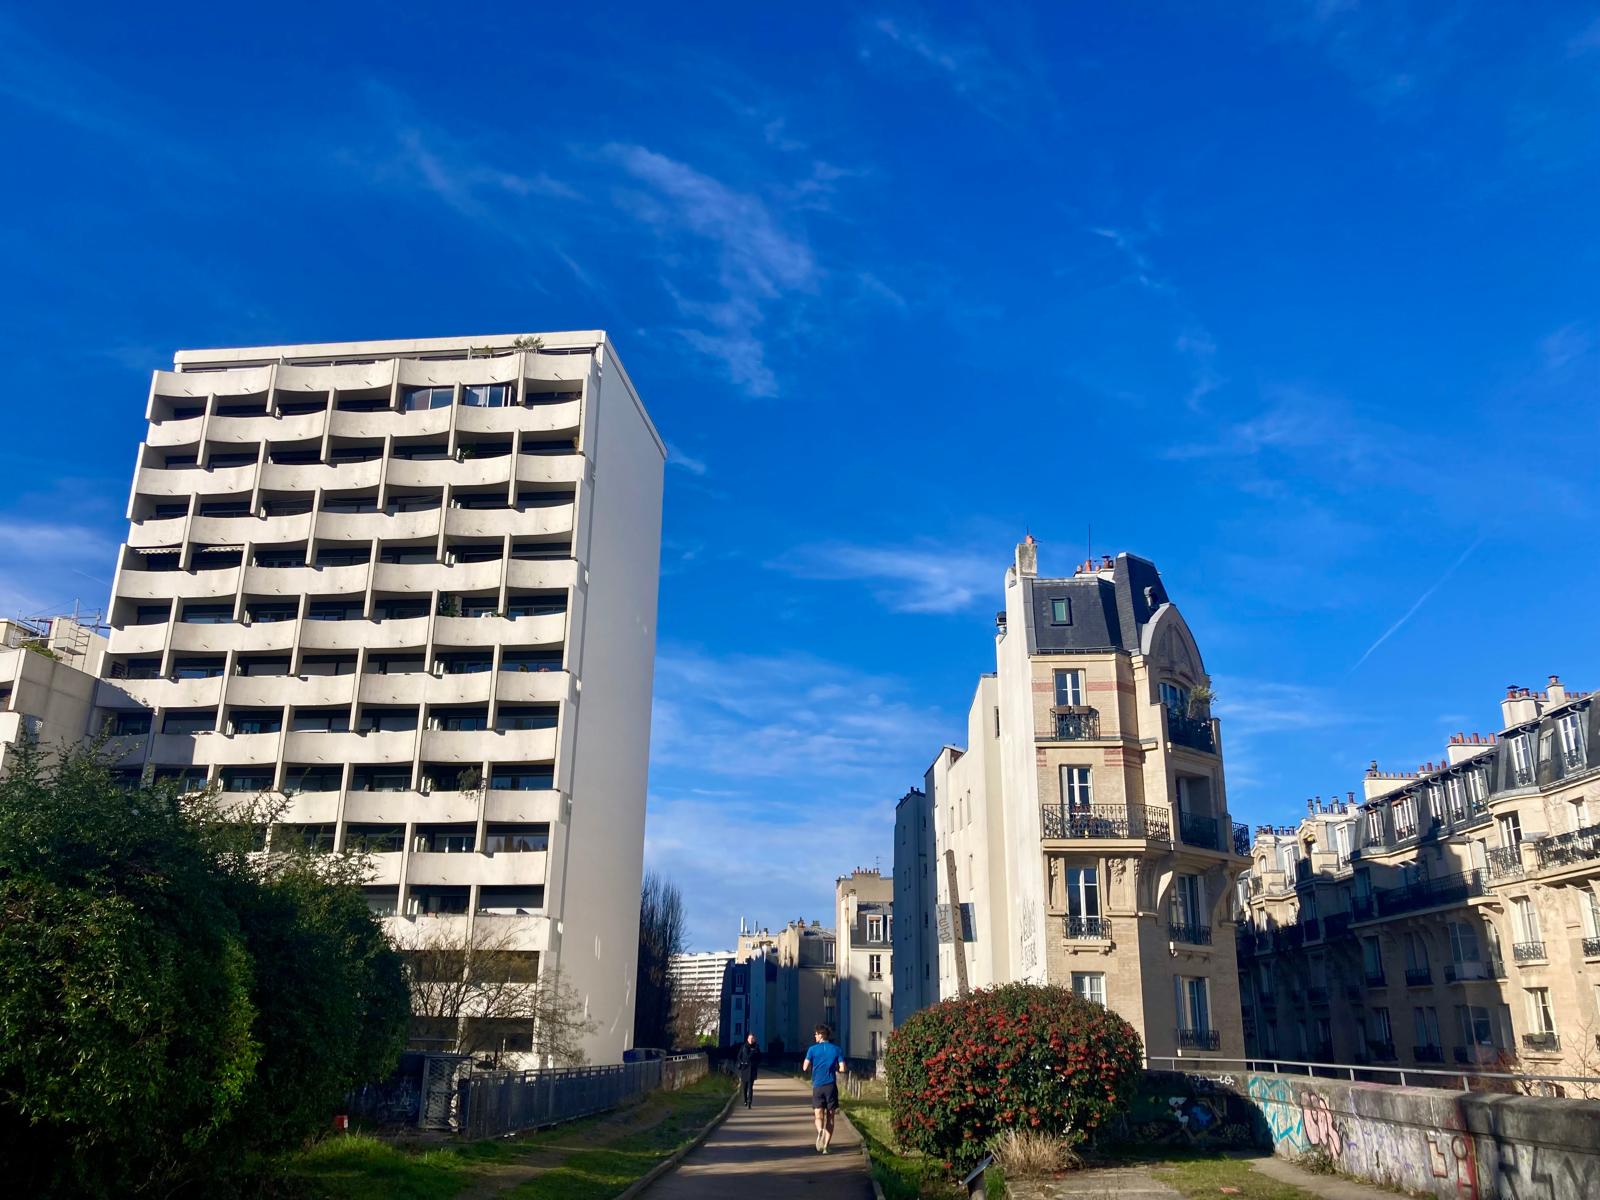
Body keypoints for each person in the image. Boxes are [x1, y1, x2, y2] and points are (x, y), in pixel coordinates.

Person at [801, 1023, 846, 1153]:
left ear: (821, 1035)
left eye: (815, 1034)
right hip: (831, 1086)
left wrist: (813, 1068)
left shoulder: (812, 1050)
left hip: (817, 1085)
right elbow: (843, 1068)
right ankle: (826, 1146)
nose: (814, 1036)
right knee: (830, 1117)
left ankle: (820, 1130)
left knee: (818, 1115)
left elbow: (804, 1067)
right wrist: (834, 1068)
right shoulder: (837, 1049)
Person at [735, 1033, 761, 1108]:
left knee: (750, 1086)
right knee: (745, 1087)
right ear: (747, 1039)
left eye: (752, 1038)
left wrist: (756, 1063)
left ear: (754, 1039)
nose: (751, 1040)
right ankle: (745, 1100)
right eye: (750, 1038)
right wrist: (741, 1062)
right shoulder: (744, 1047)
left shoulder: (756, 1048)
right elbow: (739, 1056)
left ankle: (750, 1102)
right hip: (745, 1069)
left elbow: (760, 1057)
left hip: (752, 1069)